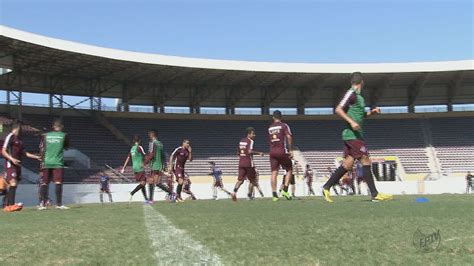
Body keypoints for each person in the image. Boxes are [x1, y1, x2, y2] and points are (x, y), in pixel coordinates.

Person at [322, 72, 392, 202]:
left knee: (347, 165)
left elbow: (360, 115)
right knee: (365, 159)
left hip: (355, 135)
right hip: (352, 135)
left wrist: (371, 112)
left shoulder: (359, 98)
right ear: (362, 82)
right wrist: (351, 122)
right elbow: (338, 109)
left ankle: (326, 187)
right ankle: (375, 194)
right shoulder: (351, 93)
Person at [2, 121, 41, 212]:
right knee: (13, 183)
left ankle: (6, 205)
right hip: (10, 164)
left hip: (18, 165)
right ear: (16, 128)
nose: (21, 130)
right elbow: (3, 151)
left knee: (13, 185)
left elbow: (24, 153)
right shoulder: (10, 137)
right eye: (20, 128)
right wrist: (11, 159)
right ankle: (11, 205)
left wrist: (36, 157)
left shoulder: (19, 140)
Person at [38, 119, 70, 210]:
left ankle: (43, 205)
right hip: (57, 162)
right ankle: (59, 204)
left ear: (53, 127)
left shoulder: (45, 136)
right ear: (61, 127)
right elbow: (66, 147)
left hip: (47, 161)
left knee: (45, 182)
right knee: (58, 182)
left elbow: (42, 148)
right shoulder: (64, 135)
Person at [231, 127, 264, 201]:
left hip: (241, 163)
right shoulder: (250, 141)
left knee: (240, 180)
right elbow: (249, 151)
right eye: (253, 134)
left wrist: (243, 156)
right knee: (252, 180)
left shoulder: (241, 141)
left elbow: (238, 152)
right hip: (249, 163)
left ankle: (234, 192)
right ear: (249, 134)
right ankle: (249, 196)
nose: (254, 135)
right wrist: (259, 153)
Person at [268, 110, 293, 201]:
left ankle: (274, 195)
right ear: (281, 117)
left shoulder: (270, 128)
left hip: (272, 152)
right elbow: (289, 137)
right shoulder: (284, 126)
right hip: (282, 151)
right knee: (289, 169)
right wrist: (290, 150)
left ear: (273, 117)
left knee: (274, 172)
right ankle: (285, 190)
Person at [121, 135, 148, 203]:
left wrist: (123, 168)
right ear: (139, 141)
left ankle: (146, 199)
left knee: (142, 184)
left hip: (134, 168)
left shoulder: (132, 148)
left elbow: (128, 158)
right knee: (143, 183)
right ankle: (132, 193)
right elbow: (145, 155)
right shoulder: (139, 147)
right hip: (140, 167)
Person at [146, 129, 171, 203]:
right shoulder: (160, 144)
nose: (148, 136)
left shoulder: (152, 143)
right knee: (157, 183)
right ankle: (171, 193)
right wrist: (165, 165)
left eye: (149, 135)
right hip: (159, 165)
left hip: (154, 165)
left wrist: (145, 162)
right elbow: (163, 155)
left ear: (152, 135)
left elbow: (151, 154)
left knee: (151, 181)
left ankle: (150, 200)